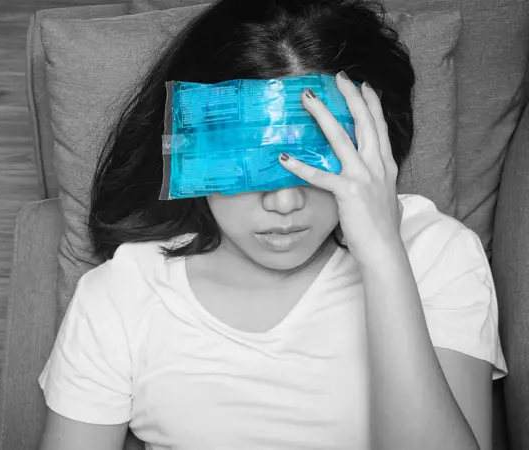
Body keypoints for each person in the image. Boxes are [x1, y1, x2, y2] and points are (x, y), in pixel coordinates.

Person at [37, 0, 508, 448]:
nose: (285, 202)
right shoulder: (120, 294)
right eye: (251, 163)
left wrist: (385, 258)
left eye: (318, 158)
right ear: (188, 147)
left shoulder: (436, 253)